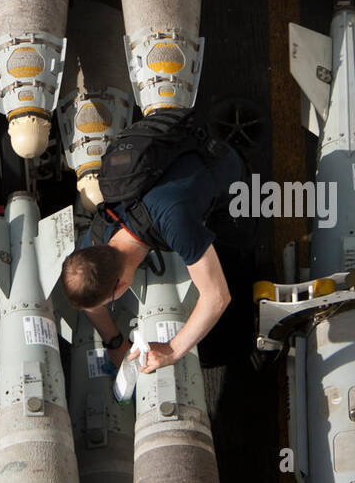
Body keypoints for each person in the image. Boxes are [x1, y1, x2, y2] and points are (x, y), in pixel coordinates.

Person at [61, 124, 245, 374]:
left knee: (236, 253)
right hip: (169, 151)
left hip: (224, 174)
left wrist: (172, 350)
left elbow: (217, 297)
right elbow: (90, 303)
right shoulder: (98, 237)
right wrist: (115, 342)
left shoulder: (173, 221)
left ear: (121, 287)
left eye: (111, 301)